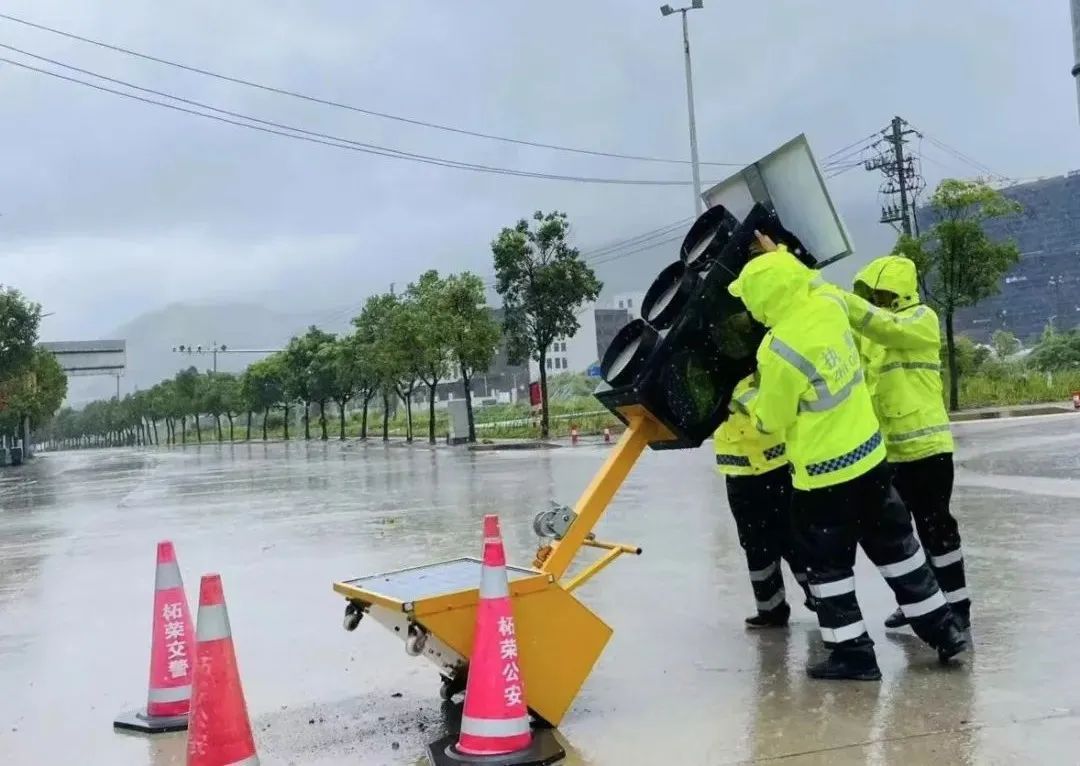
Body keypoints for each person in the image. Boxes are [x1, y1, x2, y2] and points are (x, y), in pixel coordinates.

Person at [727, 238, 966, 681]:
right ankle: (945, 630)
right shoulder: (829, 307)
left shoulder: (777, 350)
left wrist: (746, 400)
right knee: (900, 552)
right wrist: (780, 254)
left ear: (764, 298)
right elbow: (812, 285)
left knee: (829, 571)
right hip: (872, 463)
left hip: (822, 481)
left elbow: (771, 420)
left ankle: (853, 655)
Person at [844, 256, 970, 631]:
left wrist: (838, 299)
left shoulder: (921, 319)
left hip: (927, 448)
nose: (874, 299)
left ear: (898, 290)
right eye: (869, 294)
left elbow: (887, 328)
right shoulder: (874, 334)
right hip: (889, 452)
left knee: (937, 528)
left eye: (879, 292)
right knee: (903, 535)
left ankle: (957, 607)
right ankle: (922, 603)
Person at [714, 375, 814, 628]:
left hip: (775, 464)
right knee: (755, 544)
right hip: (739, 470)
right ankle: (771, 609)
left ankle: (822, 600)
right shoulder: (710, 367)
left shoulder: (757, 357)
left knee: (793, 539)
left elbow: (769, 407)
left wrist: (735, 394)